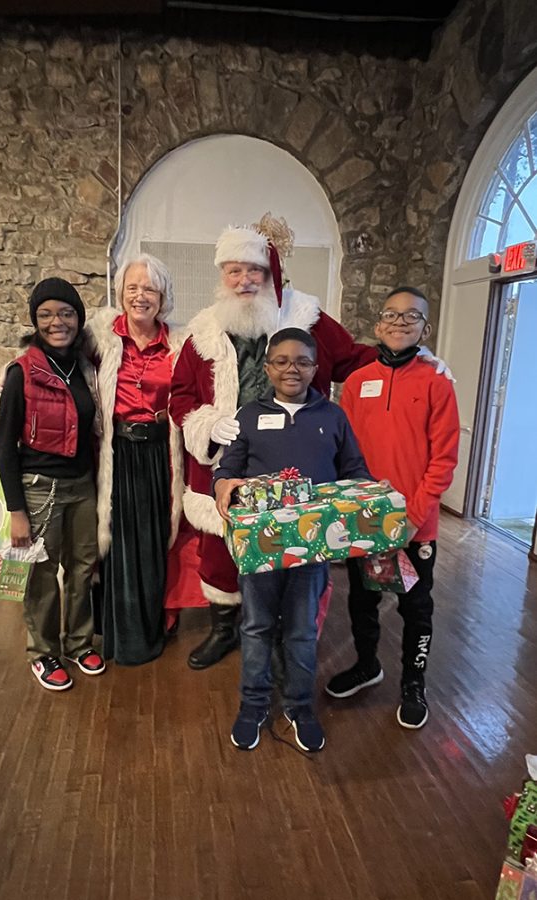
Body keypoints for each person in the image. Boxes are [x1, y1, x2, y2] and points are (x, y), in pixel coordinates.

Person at [170, 214, 455, 672]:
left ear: (271, 272)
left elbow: (358, 360)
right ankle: (225, 628)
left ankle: (287, 635)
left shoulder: (308, 319)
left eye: (254, 270)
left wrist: (415, 357)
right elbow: (180, 394)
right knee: (221, 552)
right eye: (234, 271)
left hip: (299, 465)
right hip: (229, 463)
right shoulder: (202, 331)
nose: (245, 280)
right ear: (222, 276)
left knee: (295, 555)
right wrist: (204, 422)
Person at [213, 327, 370, 751]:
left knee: (301, 631)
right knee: (257, 626)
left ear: (316, 368)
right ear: (267, 368)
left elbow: (355, 470)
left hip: (313, 546)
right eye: (281, 361)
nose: (291, 369)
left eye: (302, 361)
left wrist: (368, 503)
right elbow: (228, 467)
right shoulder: (248, 414)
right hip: (262, 546)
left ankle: (300, 706)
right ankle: (252, 705)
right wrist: (223, 483)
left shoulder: (332, 416)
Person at [325, 286, 460, 729]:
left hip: (415, 525)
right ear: (378, 325)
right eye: (392, 315)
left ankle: (413, 683)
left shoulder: (438, 383)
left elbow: (443, 460)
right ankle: (368, 665)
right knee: (362, 600)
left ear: (426, 326)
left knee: (415, 606)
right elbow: (345, 454)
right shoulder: (358, 383)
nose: (401, 322)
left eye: (412, 316)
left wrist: (412, 517)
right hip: (366, 520)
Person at [83, 254, 192, 666]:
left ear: (162, 296)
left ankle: (150, 629)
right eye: (133, 287)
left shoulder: (181, 344)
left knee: (152, 540)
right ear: (121, 293)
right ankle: (114, 631)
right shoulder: (100, 338)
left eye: (149, 288)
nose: (140, 296)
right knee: (114, 541)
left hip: (160, 452)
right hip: (116, 452)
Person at [0, 277, 104, 691]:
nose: (56, 322)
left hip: (82, 485)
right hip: (39, 487)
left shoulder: (85, 367)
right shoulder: (21, 373)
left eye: (65, 313)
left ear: (78, 318)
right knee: (40, 576)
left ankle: (79, 642)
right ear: (35, 321)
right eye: (46, 314)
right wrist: (16, 512)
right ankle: (42, 653)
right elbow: (4, 446)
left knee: (81, 570)